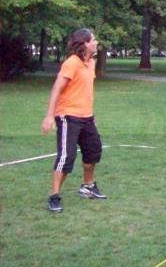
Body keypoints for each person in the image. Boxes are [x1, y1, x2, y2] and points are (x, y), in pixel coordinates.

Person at [41, 28, 107, 212]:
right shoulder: (72, 63)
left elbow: (84, 91)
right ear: (85, 43)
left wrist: (90, 115)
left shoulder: (91, 62)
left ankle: (88, 186)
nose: (96, 42)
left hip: (87, 117)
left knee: (94, 151)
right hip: (68, 116)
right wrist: (49, 115)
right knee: (66, 157)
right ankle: (54, 196)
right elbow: (56, 88)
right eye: (93, 39)